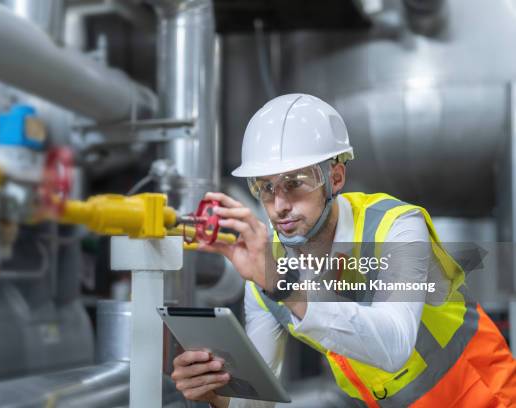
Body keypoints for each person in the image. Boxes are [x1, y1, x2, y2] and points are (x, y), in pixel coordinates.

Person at [170, 94, 516, 407]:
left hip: (488, 397)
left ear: (335, 178)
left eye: (295, 183)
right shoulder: (265, 274)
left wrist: (285, 286)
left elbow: (394, 346)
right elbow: (257, 404)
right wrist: (218, 392)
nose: (279, 205)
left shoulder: (396, 227)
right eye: (265, 187)